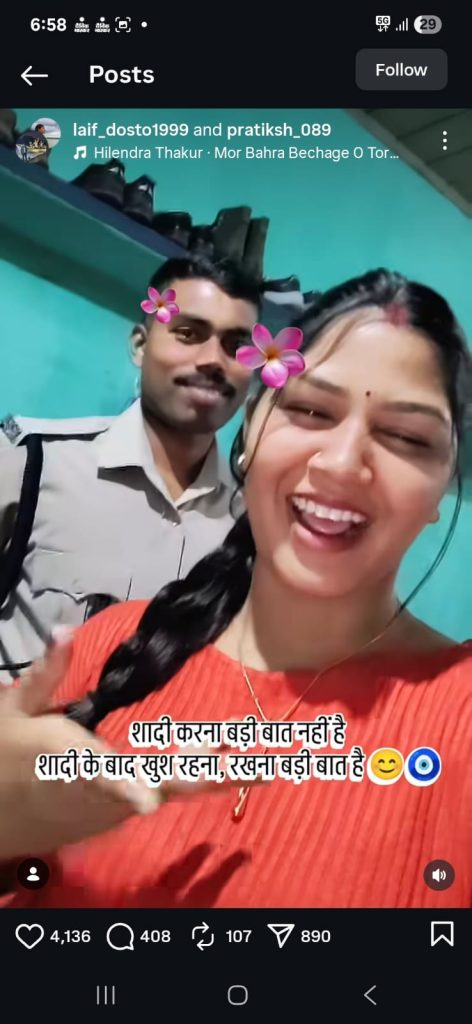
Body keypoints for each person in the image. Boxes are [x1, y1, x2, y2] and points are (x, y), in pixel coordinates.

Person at [1, 268, 472, 910]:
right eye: (310, 409)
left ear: (443, 487)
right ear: (250, 431)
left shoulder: (457, 712)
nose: (341, 464)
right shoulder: (109, 644)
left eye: (408, 437)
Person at [0, 255, 260, 680]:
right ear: (140, 345)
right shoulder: (32, 460)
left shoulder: (249, 526)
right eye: (188, 333)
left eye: (236, 346)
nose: (214, 360)